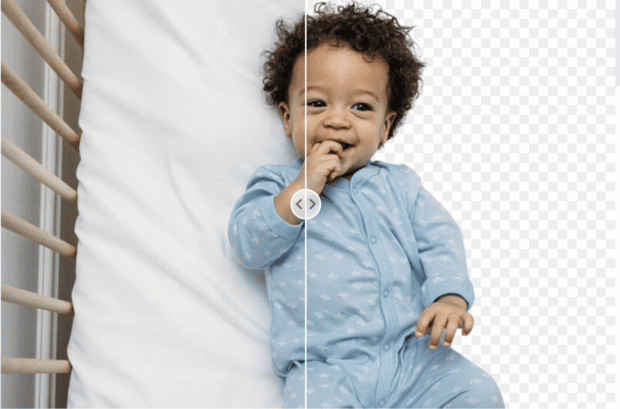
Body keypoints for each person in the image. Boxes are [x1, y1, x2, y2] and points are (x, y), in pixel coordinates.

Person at [228, 2, 504, 408]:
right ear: (287, 118)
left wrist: (449, 298)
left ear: (385, 126)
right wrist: (303, 188)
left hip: (413, 356)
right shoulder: (277, 183)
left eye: (361, 107)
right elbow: (249, 244)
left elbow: (440, 240)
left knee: (477, 392)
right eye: (317, 103)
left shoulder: (401, 187)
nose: (338, 120)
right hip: (324, 366)